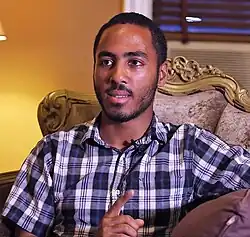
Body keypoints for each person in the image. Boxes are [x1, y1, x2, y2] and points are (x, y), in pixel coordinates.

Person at [2, 12, 250, 237]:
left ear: (161, 74)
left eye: (135, 62)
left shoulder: (190, 147)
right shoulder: (52, 152)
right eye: (106, 62)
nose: (117, 76)